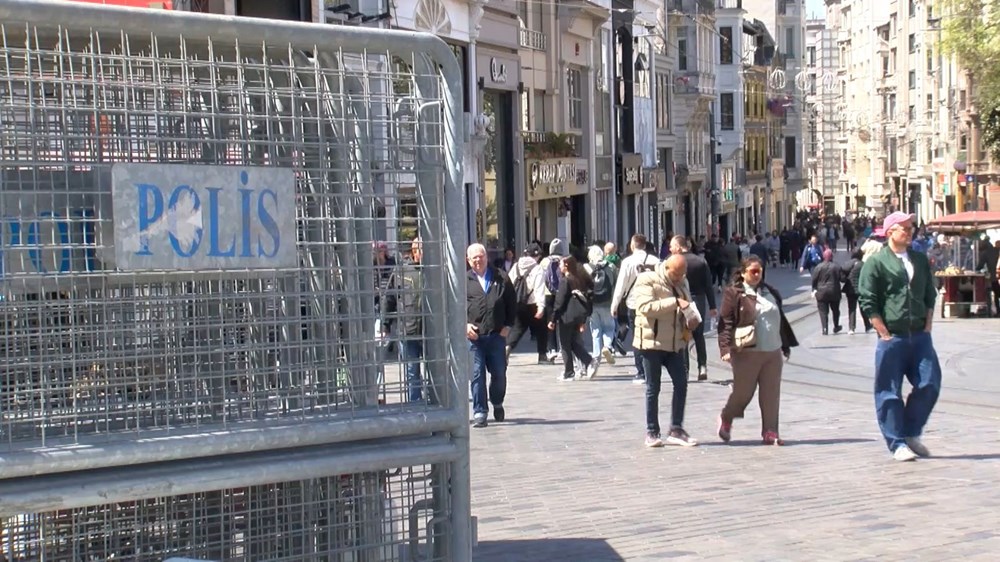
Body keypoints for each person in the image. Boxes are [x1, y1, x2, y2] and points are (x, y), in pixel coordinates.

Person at [858, 212, 941, 462]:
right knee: (889, 391)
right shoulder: (877, 262)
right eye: (903, 227)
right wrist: (882, 331)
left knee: (930, 382)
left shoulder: (919, 259)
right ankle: (896, 443)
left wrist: (928, 324)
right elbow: (867, 298)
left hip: (920, 335)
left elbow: (929, 293)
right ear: (890, 232)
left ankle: (911, 432)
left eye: (910, 227)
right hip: (892, 337)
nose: (909, 231)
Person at [716, 256, 799, 446]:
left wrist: (785, 345)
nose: (757, 275)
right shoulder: (734, 293)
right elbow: (725, 322)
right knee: (743, 393)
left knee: (771, 394)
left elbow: (779, 320)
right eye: (753, 271)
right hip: (747, 351)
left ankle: (770, 431)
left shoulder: (770, 291)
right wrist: (725, 348)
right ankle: (727, 417)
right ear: (743, 273)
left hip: (772, 351)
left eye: (760, 271)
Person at [632, 255, 701, 448]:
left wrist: (691, 318)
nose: (679, 278)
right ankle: (652, 432)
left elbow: (686, 304)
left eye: (682, 274)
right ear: (667, 268)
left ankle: (676, 429)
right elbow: (645, 307)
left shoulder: (683, 282)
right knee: (653, 388)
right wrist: (675, 302)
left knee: (681, 384)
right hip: (651, 343)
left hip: (675, 343)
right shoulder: (647, 279)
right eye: (676, 274)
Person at [466, 243, 517, 428]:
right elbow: (455, 307)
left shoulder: (501, 277)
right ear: (468, 260)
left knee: (499, 374)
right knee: (476, 374)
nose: (478, 260)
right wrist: (464, 325)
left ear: (487, 257)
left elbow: (512, 303)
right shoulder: (464, 281)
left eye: (481, 256)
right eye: (474, 258)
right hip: (474, 338)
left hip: (496, 336)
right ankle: (480, 412)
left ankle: (497, 401)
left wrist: (508, 325)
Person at [610, 234, 661, 384]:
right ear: (644, 245)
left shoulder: (627, 262)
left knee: (637, 337)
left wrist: (615, 305)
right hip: (652, 303)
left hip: (634, 303)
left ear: (632, 245)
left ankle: (641, 372)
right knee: (652, 335)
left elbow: (621, 285)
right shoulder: (655, 261)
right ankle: (653, 369)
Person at [383, 237, 426, 402]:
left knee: (436, 368)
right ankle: (415, 403)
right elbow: (389, 298)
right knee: (411, 370)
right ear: (414, 251)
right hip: (408, 329)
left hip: (432, 329)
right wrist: (385, 324)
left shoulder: (437, 270)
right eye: (421, 250)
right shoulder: (401, 271)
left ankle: (436, 402)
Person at [669, 235, 716, 381]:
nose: (670, 249)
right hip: (698, 299)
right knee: (698, 335)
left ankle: (685, 370)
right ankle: (702, 366)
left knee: (683, 335)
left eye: (672, 246)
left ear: (678, 246)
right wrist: (713, 306)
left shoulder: (672, 262)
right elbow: (708, 285)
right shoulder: (700, 261)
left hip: (681, 300)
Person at [550, 256, 600, 381]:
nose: (559, 266)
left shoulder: (565, 281)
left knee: (565, 344)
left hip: (566, 317)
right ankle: (589, 361)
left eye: (561, 264)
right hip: (577, 316)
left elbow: (559, 302)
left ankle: (569, 372)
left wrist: (553, 319)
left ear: (566, 265)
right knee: (573, 343)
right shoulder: (578, 279)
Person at [506, 243, 548, 364]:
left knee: (518, 328)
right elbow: (539, 288)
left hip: (517, 302)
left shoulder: (516, 266)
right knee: (542, 329)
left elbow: (508, 283)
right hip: (532, 303)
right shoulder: (537, 268)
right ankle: (542, 355)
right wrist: (541, 307)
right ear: (537, 255)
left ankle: (508, 346)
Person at [585, 245, 617, 365]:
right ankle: (607, 346)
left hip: (593, 303)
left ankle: (596, 355)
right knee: (609, 327)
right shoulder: (611, 267)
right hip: (608, 302)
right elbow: (616, 285)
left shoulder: (586, 267)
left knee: (595, 330)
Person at [812, 249, 843, 335]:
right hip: (834, 292)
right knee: (835, 310)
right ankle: (836, 326)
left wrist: (814, 289)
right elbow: (842, 278)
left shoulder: (818, 267)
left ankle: (825, 329)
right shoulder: (836, 266)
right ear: (831, 257)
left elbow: (814, 280)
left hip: (821, 293)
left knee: (823, 312)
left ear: (823, 257)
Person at [841, 248, 871, 334]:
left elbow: (842, 273)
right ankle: (867, 326)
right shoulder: (863, 265)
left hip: (850, 289)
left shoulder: (848, 264)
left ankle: (851, 328)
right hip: (861, 290)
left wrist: (845, 278)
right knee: (863, 308)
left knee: (851, 308)